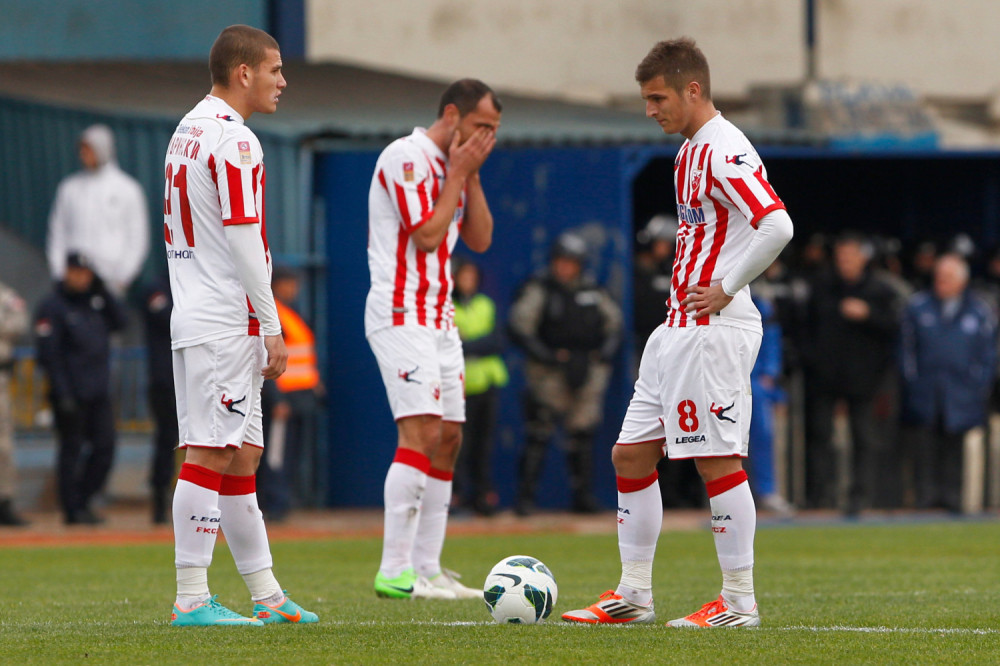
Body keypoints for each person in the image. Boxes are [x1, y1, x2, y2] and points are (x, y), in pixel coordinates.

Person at [562, 38, 793, 628]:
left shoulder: (723, 149)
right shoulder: (688, 153)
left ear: (694, 89)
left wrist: (726, 286)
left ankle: (739, 603)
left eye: (658, 97)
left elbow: (777, 224)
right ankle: (634, 594)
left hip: (713, 327)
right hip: (677, 329)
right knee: (630, 454)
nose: (650, 109)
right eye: (646, 99)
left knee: (717, 460)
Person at [163, 25, 316, 627]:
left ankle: (267, 594)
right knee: (208, 451)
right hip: (225, 317)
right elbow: (245, 239)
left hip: (206, 312)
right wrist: (271, 323)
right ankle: (192, 597)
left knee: (244, 453)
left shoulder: (187, 129)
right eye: (275, 69)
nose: (283, 80)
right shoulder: (236, 140)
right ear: (243, 72)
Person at [366, 78, 500, 600]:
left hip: (439, 318)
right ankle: (395, 570)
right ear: (452, 114)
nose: (486, 137)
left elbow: (481, 239)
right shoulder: (405, 156)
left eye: (494, 130)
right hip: (401, 314)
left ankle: (428, 568)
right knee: (420, 432)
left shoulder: (457, 168)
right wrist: (459, 173)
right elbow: (425, 234)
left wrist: (472, 176)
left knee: (448, 438)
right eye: (481, 126)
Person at [508, 233, 623, 515]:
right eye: (561, 261)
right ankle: (525, 500)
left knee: (582, 435)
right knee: (539, 432)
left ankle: (582, 498)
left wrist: (602, 355)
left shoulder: (593, 290)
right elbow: (519, 326)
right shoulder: (540, 288)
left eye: (571, 262)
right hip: (549, 372)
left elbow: (614, 325)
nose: (565, 267)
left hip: (587, 370)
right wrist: (546, 356)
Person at [802, 232, 900, 514]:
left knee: (863, 438)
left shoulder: (880, 290)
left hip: (864, 379)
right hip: (825, 376)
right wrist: (814, 361)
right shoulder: (821, 286)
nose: (845, 262)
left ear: (863, 258)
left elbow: (893, 329)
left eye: (851, 256)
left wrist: (868, 314)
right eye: (841, 256)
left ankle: (859, 497)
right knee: (820, 436)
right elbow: (805, 328)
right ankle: (819, 495)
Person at [34, 252, 127, 524]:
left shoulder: (94, 303)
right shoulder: (52, 306)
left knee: (105, 448)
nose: (82, 278)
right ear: (67, 272)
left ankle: (83, 500)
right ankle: (71, 510)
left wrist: (104, 291)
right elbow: (49, 355)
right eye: (77, 272)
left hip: (98, 392)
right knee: (71, 451)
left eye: (87, 273)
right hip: (70, 393)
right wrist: (62, 393)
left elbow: (122, 321)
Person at [900, 253, 997, 512]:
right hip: (926, 389)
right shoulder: (918, 306)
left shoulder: (979, 310)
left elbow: (988, 354)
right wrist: (913, 382)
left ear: (962, 281)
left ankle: (953, 498)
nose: (942, 282)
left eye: (948, 277)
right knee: (924, 447)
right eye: (939, 276)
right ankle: (924, 498)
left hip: (962, 391)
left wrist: (979, 385)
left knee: (955, 446)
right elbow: (906, 350)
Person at [46, 124, 150, 298]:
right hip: (73, 282)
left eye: (89, 149)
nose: (83, 155)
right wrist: (60, 273)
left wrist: (122, 278)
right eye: (82, 150)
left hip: (110, 283)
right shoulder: (69, 188)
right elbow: (57, 232)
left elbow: (137, 237)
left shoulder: (128, 189)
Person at [258, 266, 324, 522]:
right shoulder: (273, 313)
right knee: (277, 453)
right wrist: (276, 398)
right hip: (282, 397)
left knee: (291, 452)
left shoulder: (291, 313)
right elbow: (268, 357)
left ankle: (283, 500)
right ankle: (273, 502)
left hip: (301, 395)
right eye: (288, 284)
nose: (293, 289)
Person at [452, 257, 508, 516]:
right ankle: (458, 497)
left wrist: (467, 344)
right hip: (460, 386)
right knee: (459, 445)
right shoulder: (447, 306)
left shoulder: (486, 304)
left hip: (488, 383)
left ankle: (482, 496)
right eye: (464, 275)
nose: (468, 281)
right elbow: (449, 344)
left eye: (472, 276)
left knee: (483, 445)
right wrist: (475, 344)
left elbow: (496, 341)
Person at [748, 292, 794, 516]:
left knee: (764, 437)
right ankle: (722, 496)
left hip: (755, 382)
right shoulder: (706, 292)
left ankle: (768, 492)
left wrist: (770, 374)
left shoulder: (759, 302)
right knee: (718, 442)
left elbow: (772, 337)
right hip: (722, 379)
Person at [140, 274, 177, 524]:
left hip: (201, 378)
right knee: (167, 440)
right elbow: (171, 319)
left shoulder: (201, 281)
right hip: (165, 381)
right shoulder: (158, 288)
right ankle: (160, 502)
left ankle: (212, 507)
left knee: (209, 442)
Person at [0, 281, 29, 526]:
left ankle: (5, 503)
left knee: (4, 445)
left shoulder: (5, 294)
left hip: (1, 377)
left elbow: (20, 321)